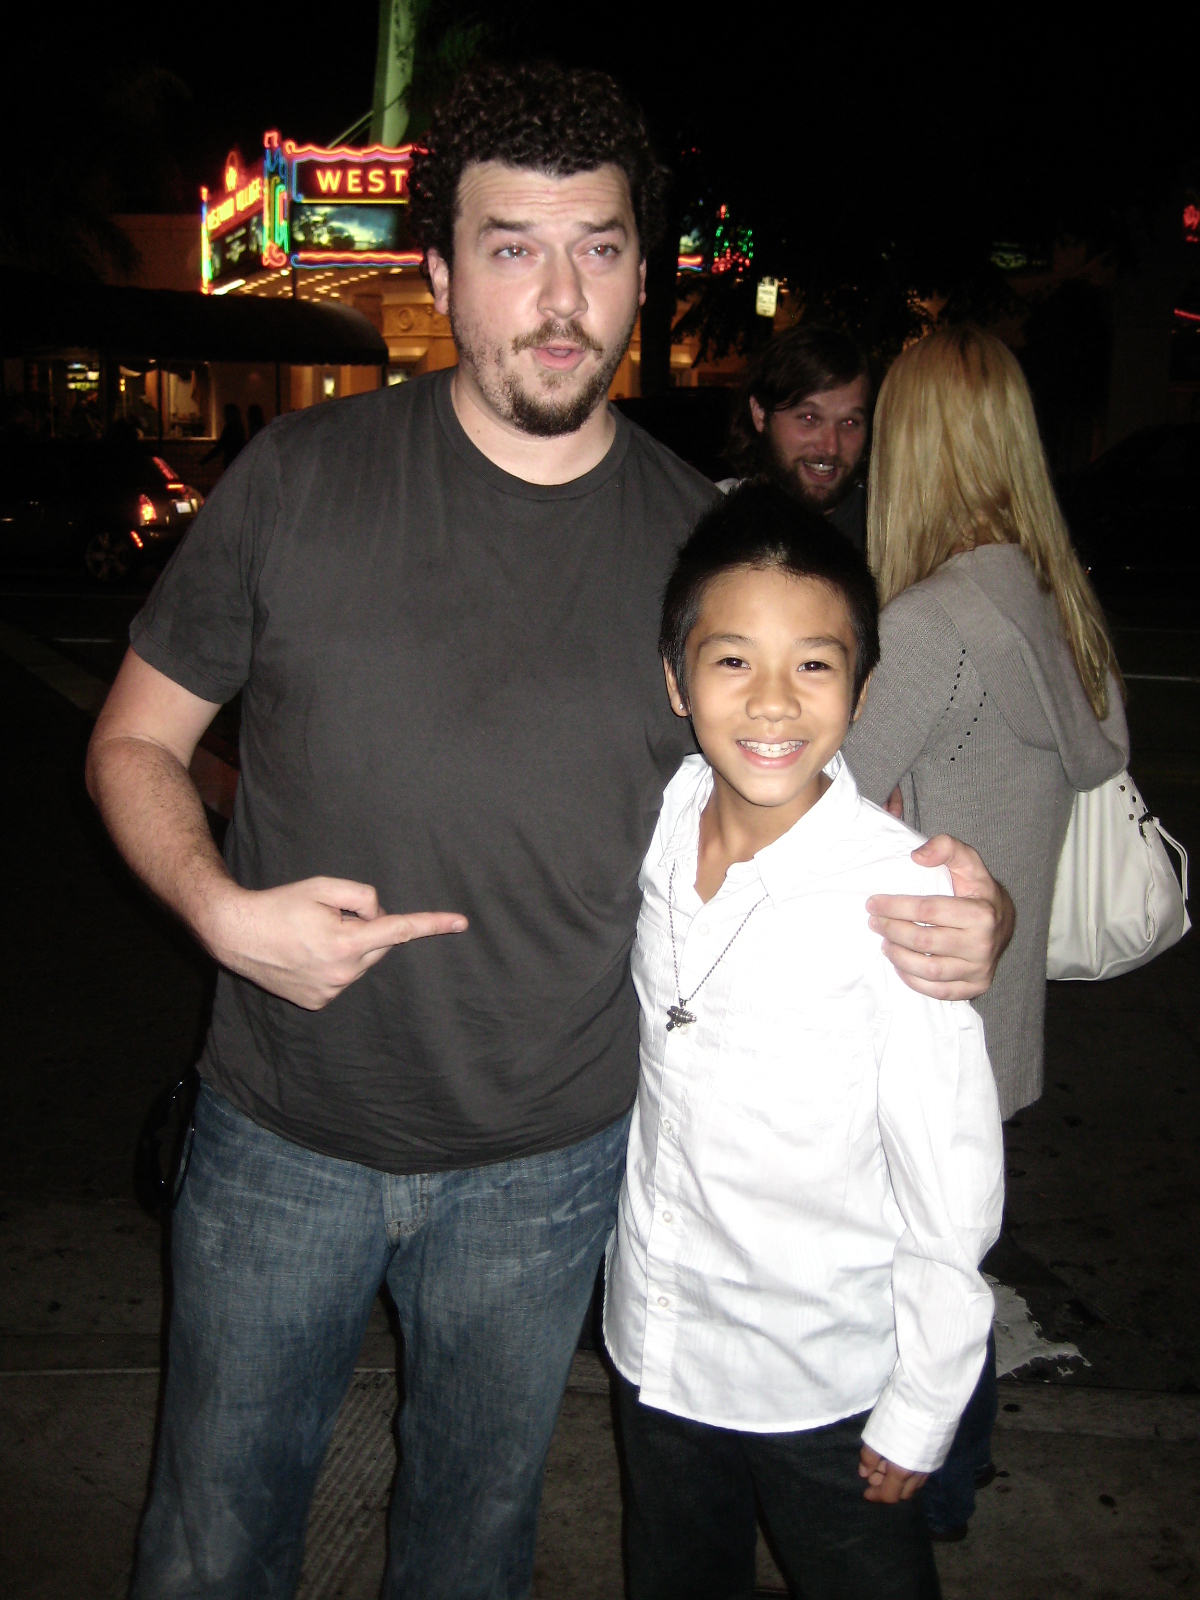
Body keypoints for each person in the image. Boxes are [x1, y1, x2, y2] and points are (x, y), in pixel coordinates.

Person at [84, 64, 1013, 1600]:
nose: (560, 295)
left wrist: (960, 903)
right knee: (211, 1539)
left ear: (643, 276)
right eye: (513, 248)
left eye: (596, 248)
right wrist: (217, 911)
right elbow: (132, 742)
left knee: (472, 1547)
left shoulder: (695, 544)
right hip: (277, 1138)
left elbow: (811, 798)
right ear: (441, 272)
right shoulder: (299, 481)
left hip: (554, 1170)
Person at [605, 482, 1005, 1600]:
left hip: (825, 1379)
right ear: (677, 681)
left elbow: (950, 1171)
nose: (772, 701)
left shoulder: (898, 898)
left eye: (815, 664)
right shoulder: (664, 815)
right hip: (662, 1344)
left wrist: (926, 1398)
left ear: (863, 689)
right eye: (732, 661)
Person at [843, 324, 1129, 1538]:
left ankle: (913, 1512)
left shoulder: (929, 625)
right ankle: (949, 1486)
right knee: (950, 1267)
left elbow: (804, 800)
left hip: (912, 1019)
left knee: (897, 1297)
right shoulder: (1052, 595)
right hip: (996, 1026)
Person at [723, 322, 871, 551]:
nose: (830, 447)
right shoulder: (710, 520)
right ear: (760, 414)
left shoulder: (892, 534)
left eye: (849, 423)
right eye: (809, 418)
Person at [201, 401, 247, 471]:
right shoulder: (239, 427)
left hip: (231, 459)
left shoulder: (230, 428)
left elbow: (221, 445)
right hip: (237, 460)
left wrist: (206, 459)